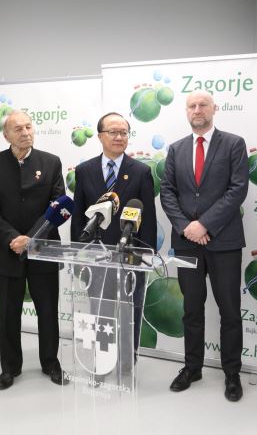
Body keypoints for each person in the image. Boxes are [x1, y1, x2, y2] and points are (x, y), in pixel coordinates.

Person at [160, 90, 249, 402]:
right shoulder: (176, 149)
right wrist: (187, 228)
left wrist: (205, 224)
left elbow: (238, 189)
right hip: (187, 244)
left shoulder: (234, 144)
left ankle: (232, 373)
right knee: (191, 309)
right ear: (187, 111)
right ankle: (192, 367)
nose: (197, 110)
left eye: (203, 105)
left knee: (230, 311)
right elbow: (167, 191)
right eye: (192, 106)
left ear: (214, 109)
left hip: (224, 243)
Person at [0, 110, 68, 390]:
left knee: (48, 311)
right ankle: (9, 368)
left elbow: (59, 207)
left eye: (29, 127)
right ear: (6, 135)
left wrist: (30, 238)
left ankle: (51, 362)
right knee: (9, 313)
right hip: (8, 251)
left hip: (43, 249)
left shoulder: (51, 162)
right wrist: (12, 238)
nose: (25, 132)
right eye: (18, 129)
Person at [71, 112, 157, 364]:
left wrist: (146, 256)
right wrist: (78, 254)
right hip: (96, 258)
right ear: (100, 136)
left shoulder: (141, 171)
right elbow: (79, 216)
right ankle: (103, 360)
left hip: (130, 258)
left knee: (130, 313)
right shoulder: (84, 170)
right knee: (101, 312)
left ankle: (128, 361)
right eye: (113, 132)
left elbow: (148, 219)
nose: (119, 137)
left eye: (123, 133)